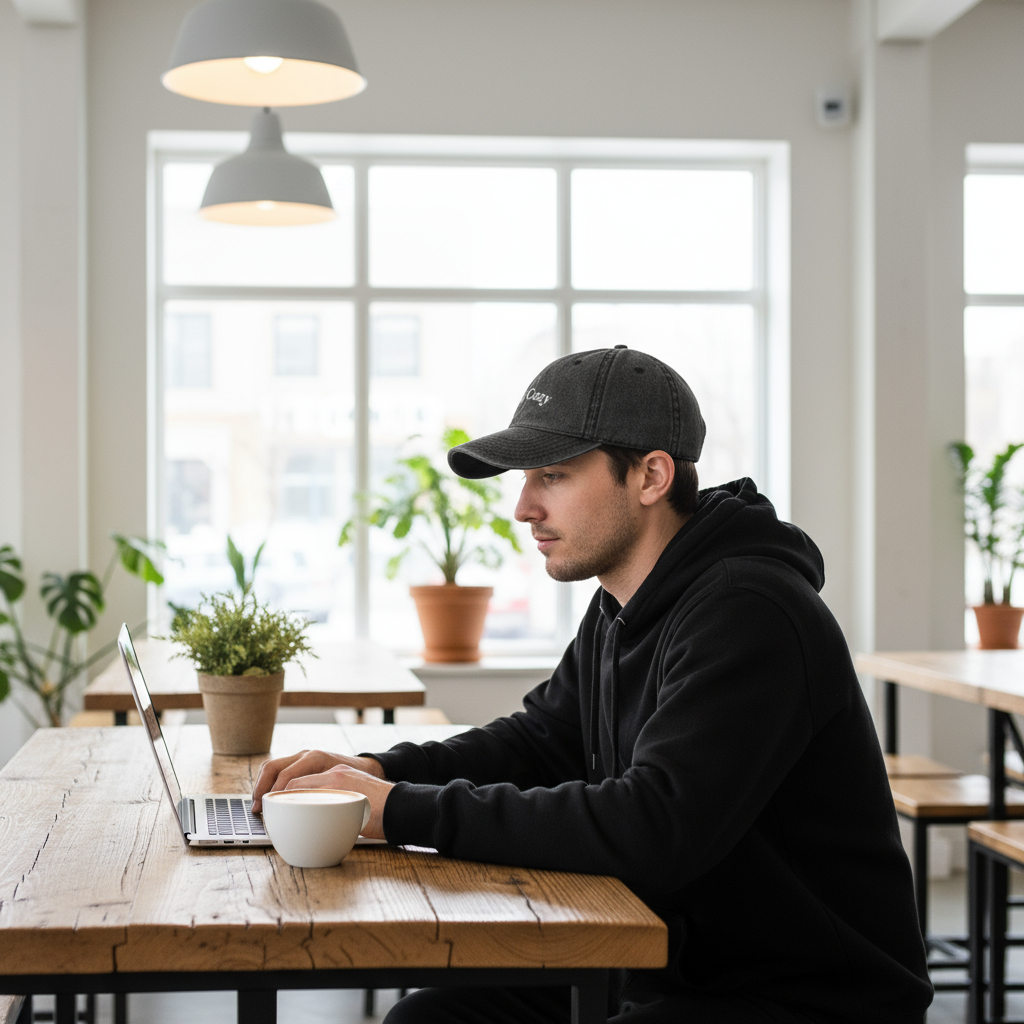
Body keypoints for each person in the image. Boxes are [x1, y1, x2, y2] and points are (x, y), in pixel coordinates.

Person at [252, 346, 932, 1024]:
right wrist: (372, 771)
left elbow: (654, 825)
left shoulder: (750, 611)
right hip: (668, 961)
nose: (523, 507)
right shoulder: (622, 600)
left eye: (552, 475)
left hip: (803, 994)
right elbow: (544, 740)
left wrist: (399, 809)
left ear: (650, 476)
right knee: (427, 1019)